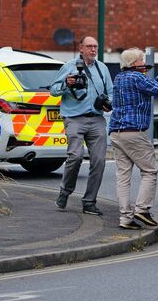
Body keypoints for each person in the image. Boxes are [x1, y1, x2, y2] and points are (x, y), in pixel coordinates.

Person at [109, 48, 158, 230]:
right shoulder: (137, 77)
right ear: (133, 64)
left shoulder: (120, 78)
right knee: (149, 172)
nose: (143, 63)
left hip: (116, 132)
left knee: (123, 176)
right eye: (140, 60)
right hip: (134, 132)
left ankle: (125, 218)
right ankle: (142, 209)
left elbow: (148, 90)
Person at [50, 36, 114, 216]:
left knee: (99, 161)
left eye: (95, 46)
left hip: (97, 119)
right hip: (74, 118)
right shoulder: (70, 66)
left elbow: (111, 92)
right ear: (81, 49)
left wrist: (109, 102)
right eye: (89, 46)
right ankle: (65, 191)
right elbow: (53, 90)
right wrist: (66, 83)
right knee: (76, 157)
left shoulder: (103, 69)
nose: (93, 50)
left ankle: (89, 202)